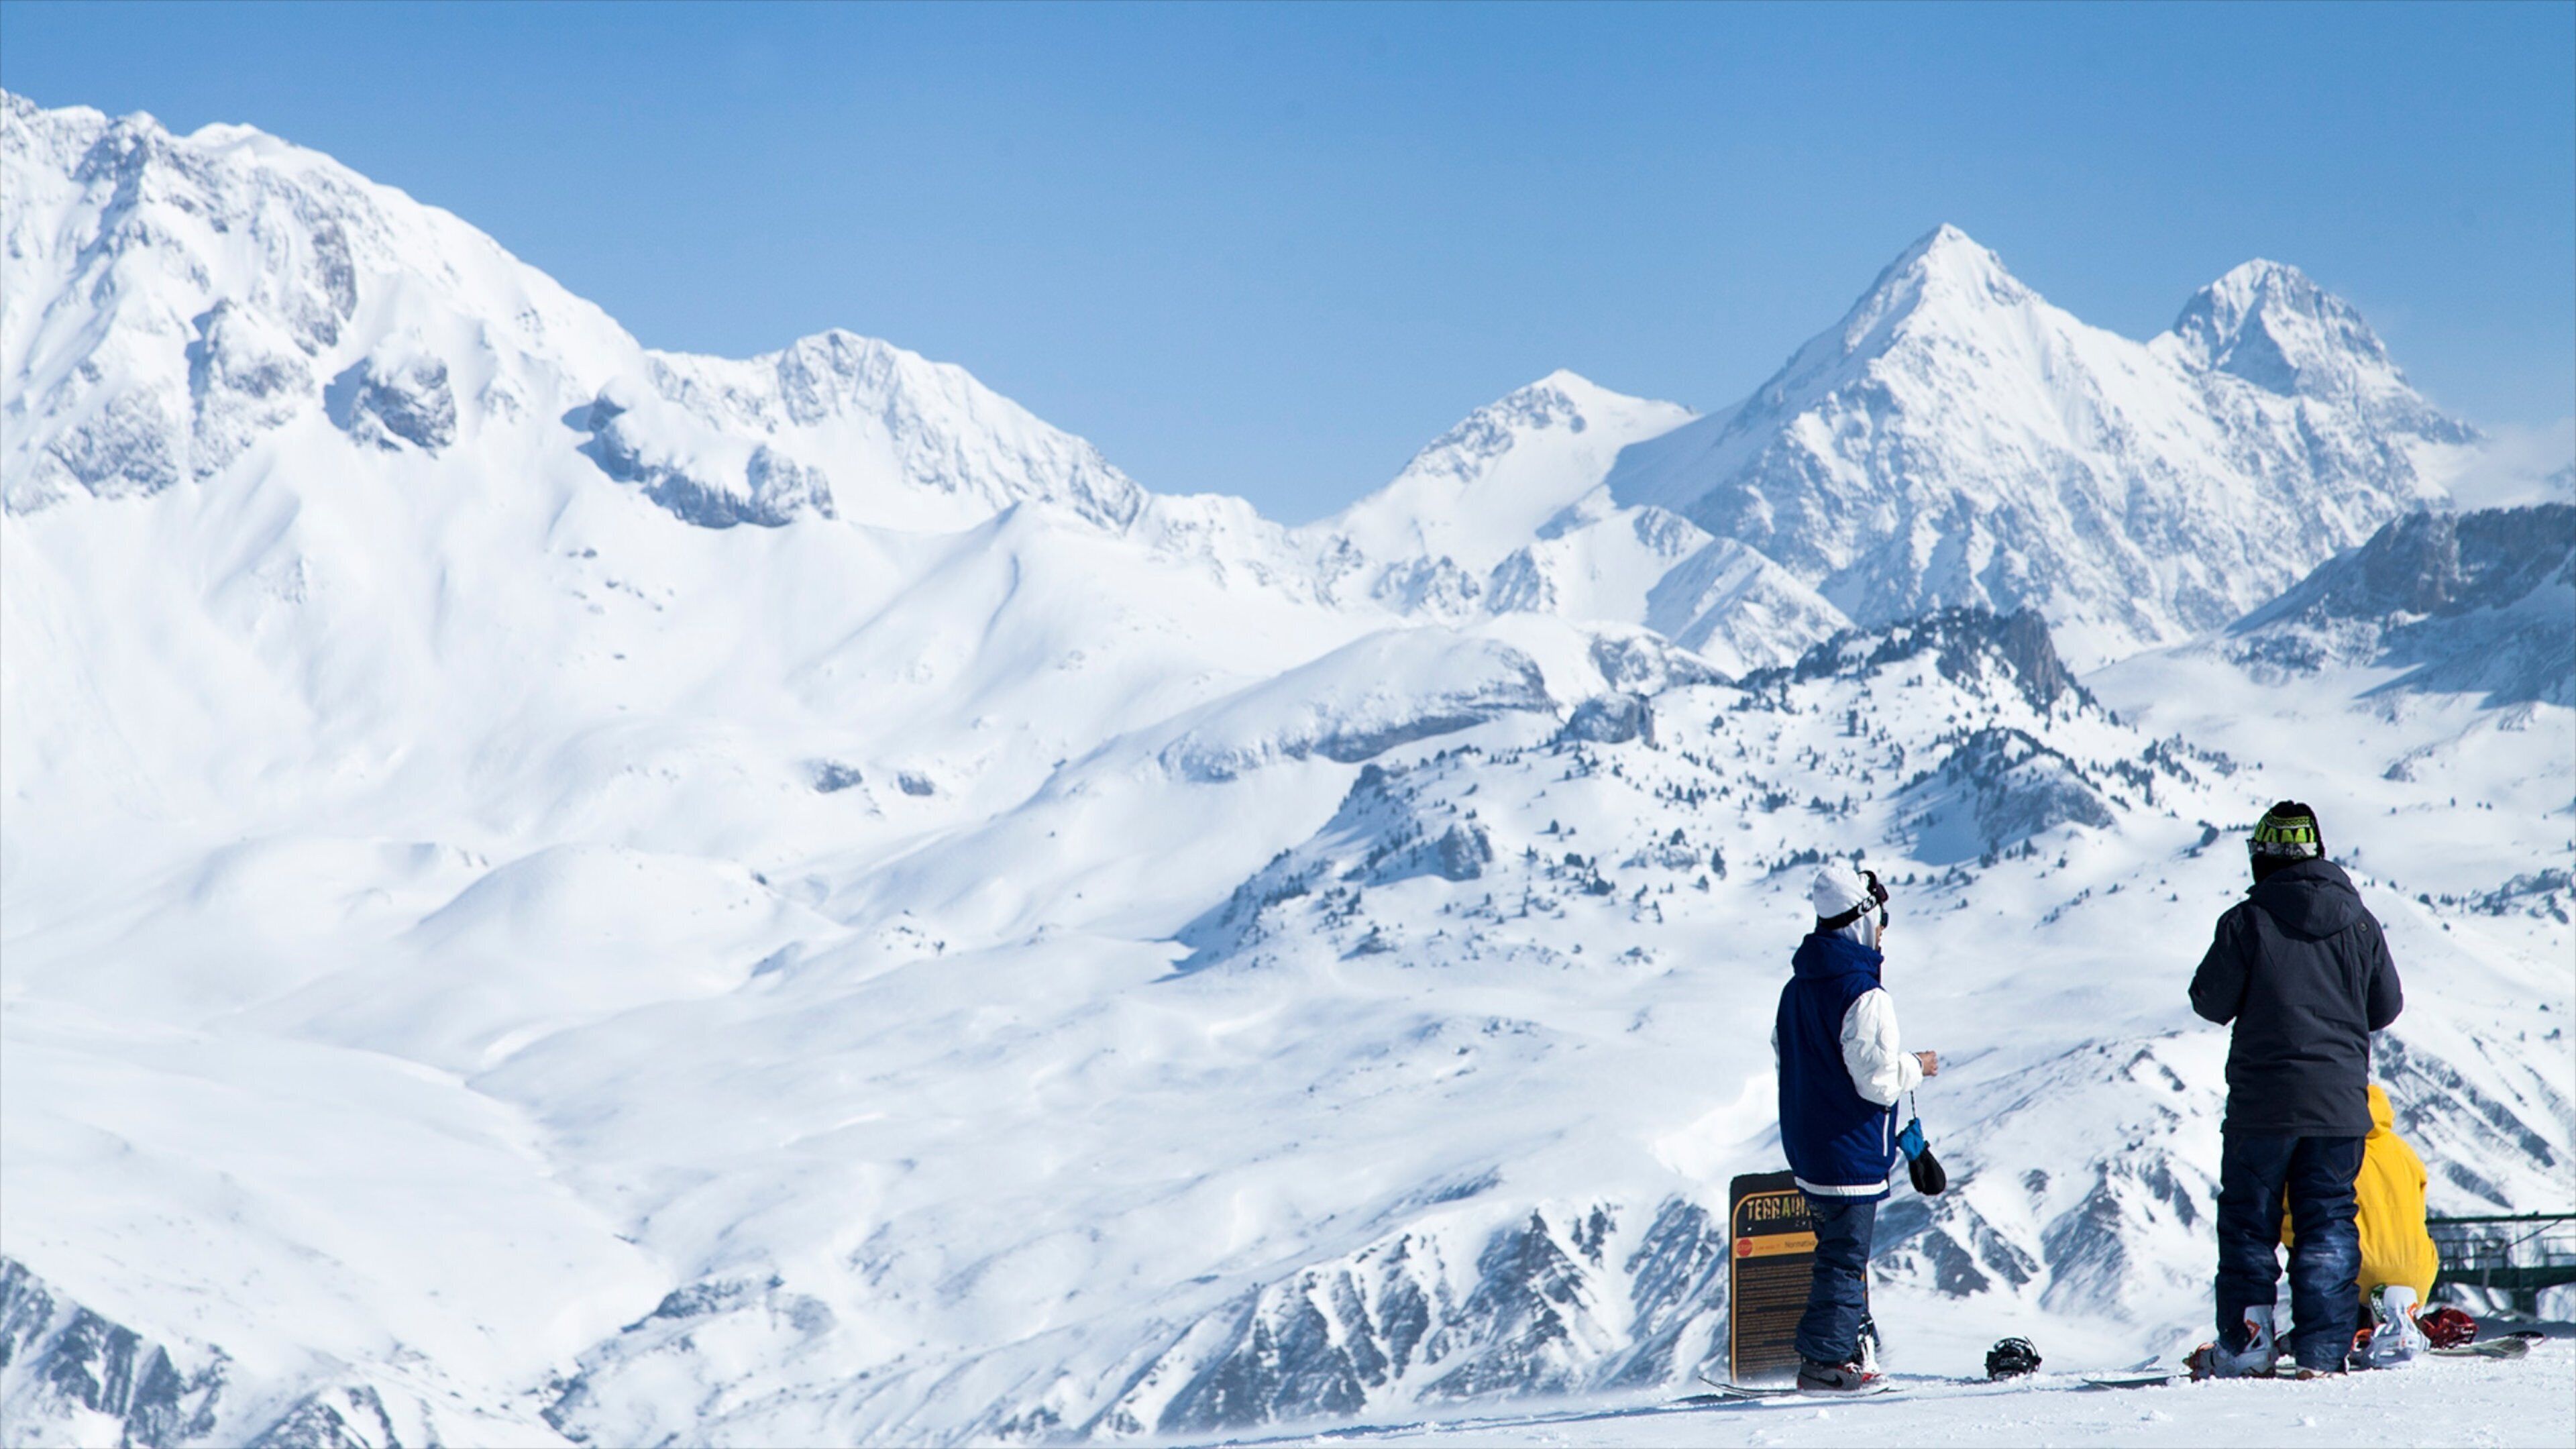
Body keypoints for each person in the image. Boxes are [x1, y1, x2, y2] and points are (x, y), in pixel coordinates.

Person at [2187, 801, 2403, 1379]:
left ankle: (2250, 1342)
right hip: (2337, 1106)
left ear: (2261, 857)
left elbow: (2209, 1003)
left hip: (2262, 1105)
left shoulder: (2246, 922)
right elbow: (2386, 1009)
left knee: (2249, 1225)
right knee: (2329, 1222)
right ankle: (2323, 1353)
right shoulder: (2360, 923)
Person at [1774, 859, 1941, 1393]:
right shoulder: (1863, 994)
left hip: (1810, 1146)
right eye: (1882, 918)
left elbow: (1787, 1056)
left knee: (1834, 1255)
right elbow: (1877, 1082)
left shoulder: (1797, 988)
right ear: (1862, 920)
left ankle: (1847, 1348)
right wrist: (1918, 1065)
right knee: (1844, 1261)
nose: (1885, 929)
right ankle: (1827, 1362)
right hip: (1848, 1152)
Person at [2282, 1083, 2440, 1366]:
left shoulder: (2321, 1151)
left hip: (2351, 1271)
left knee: (2311, 1242)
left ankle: (2340, 1332)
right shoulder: (2404, 1151)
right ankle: (2400, 1319)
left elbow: (2290, 1214)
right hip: (2418, 1273)